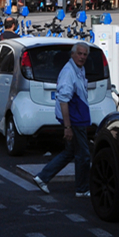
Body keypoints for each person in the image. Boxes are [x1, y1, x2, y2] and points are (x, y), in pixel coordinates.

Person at [32, 42, 92, 197]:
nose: (82, 57)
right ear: (72, 54)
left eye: (85, 54)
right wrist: (67, 127)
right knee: (84, 155)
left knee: (70, 152)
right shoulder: (69, 72)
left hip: (78, 117)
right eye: (79, 53)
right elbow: (63, 100)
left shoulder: (78, 69)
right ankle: (82, 189)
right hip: (75, 119)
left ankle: (43, 177)